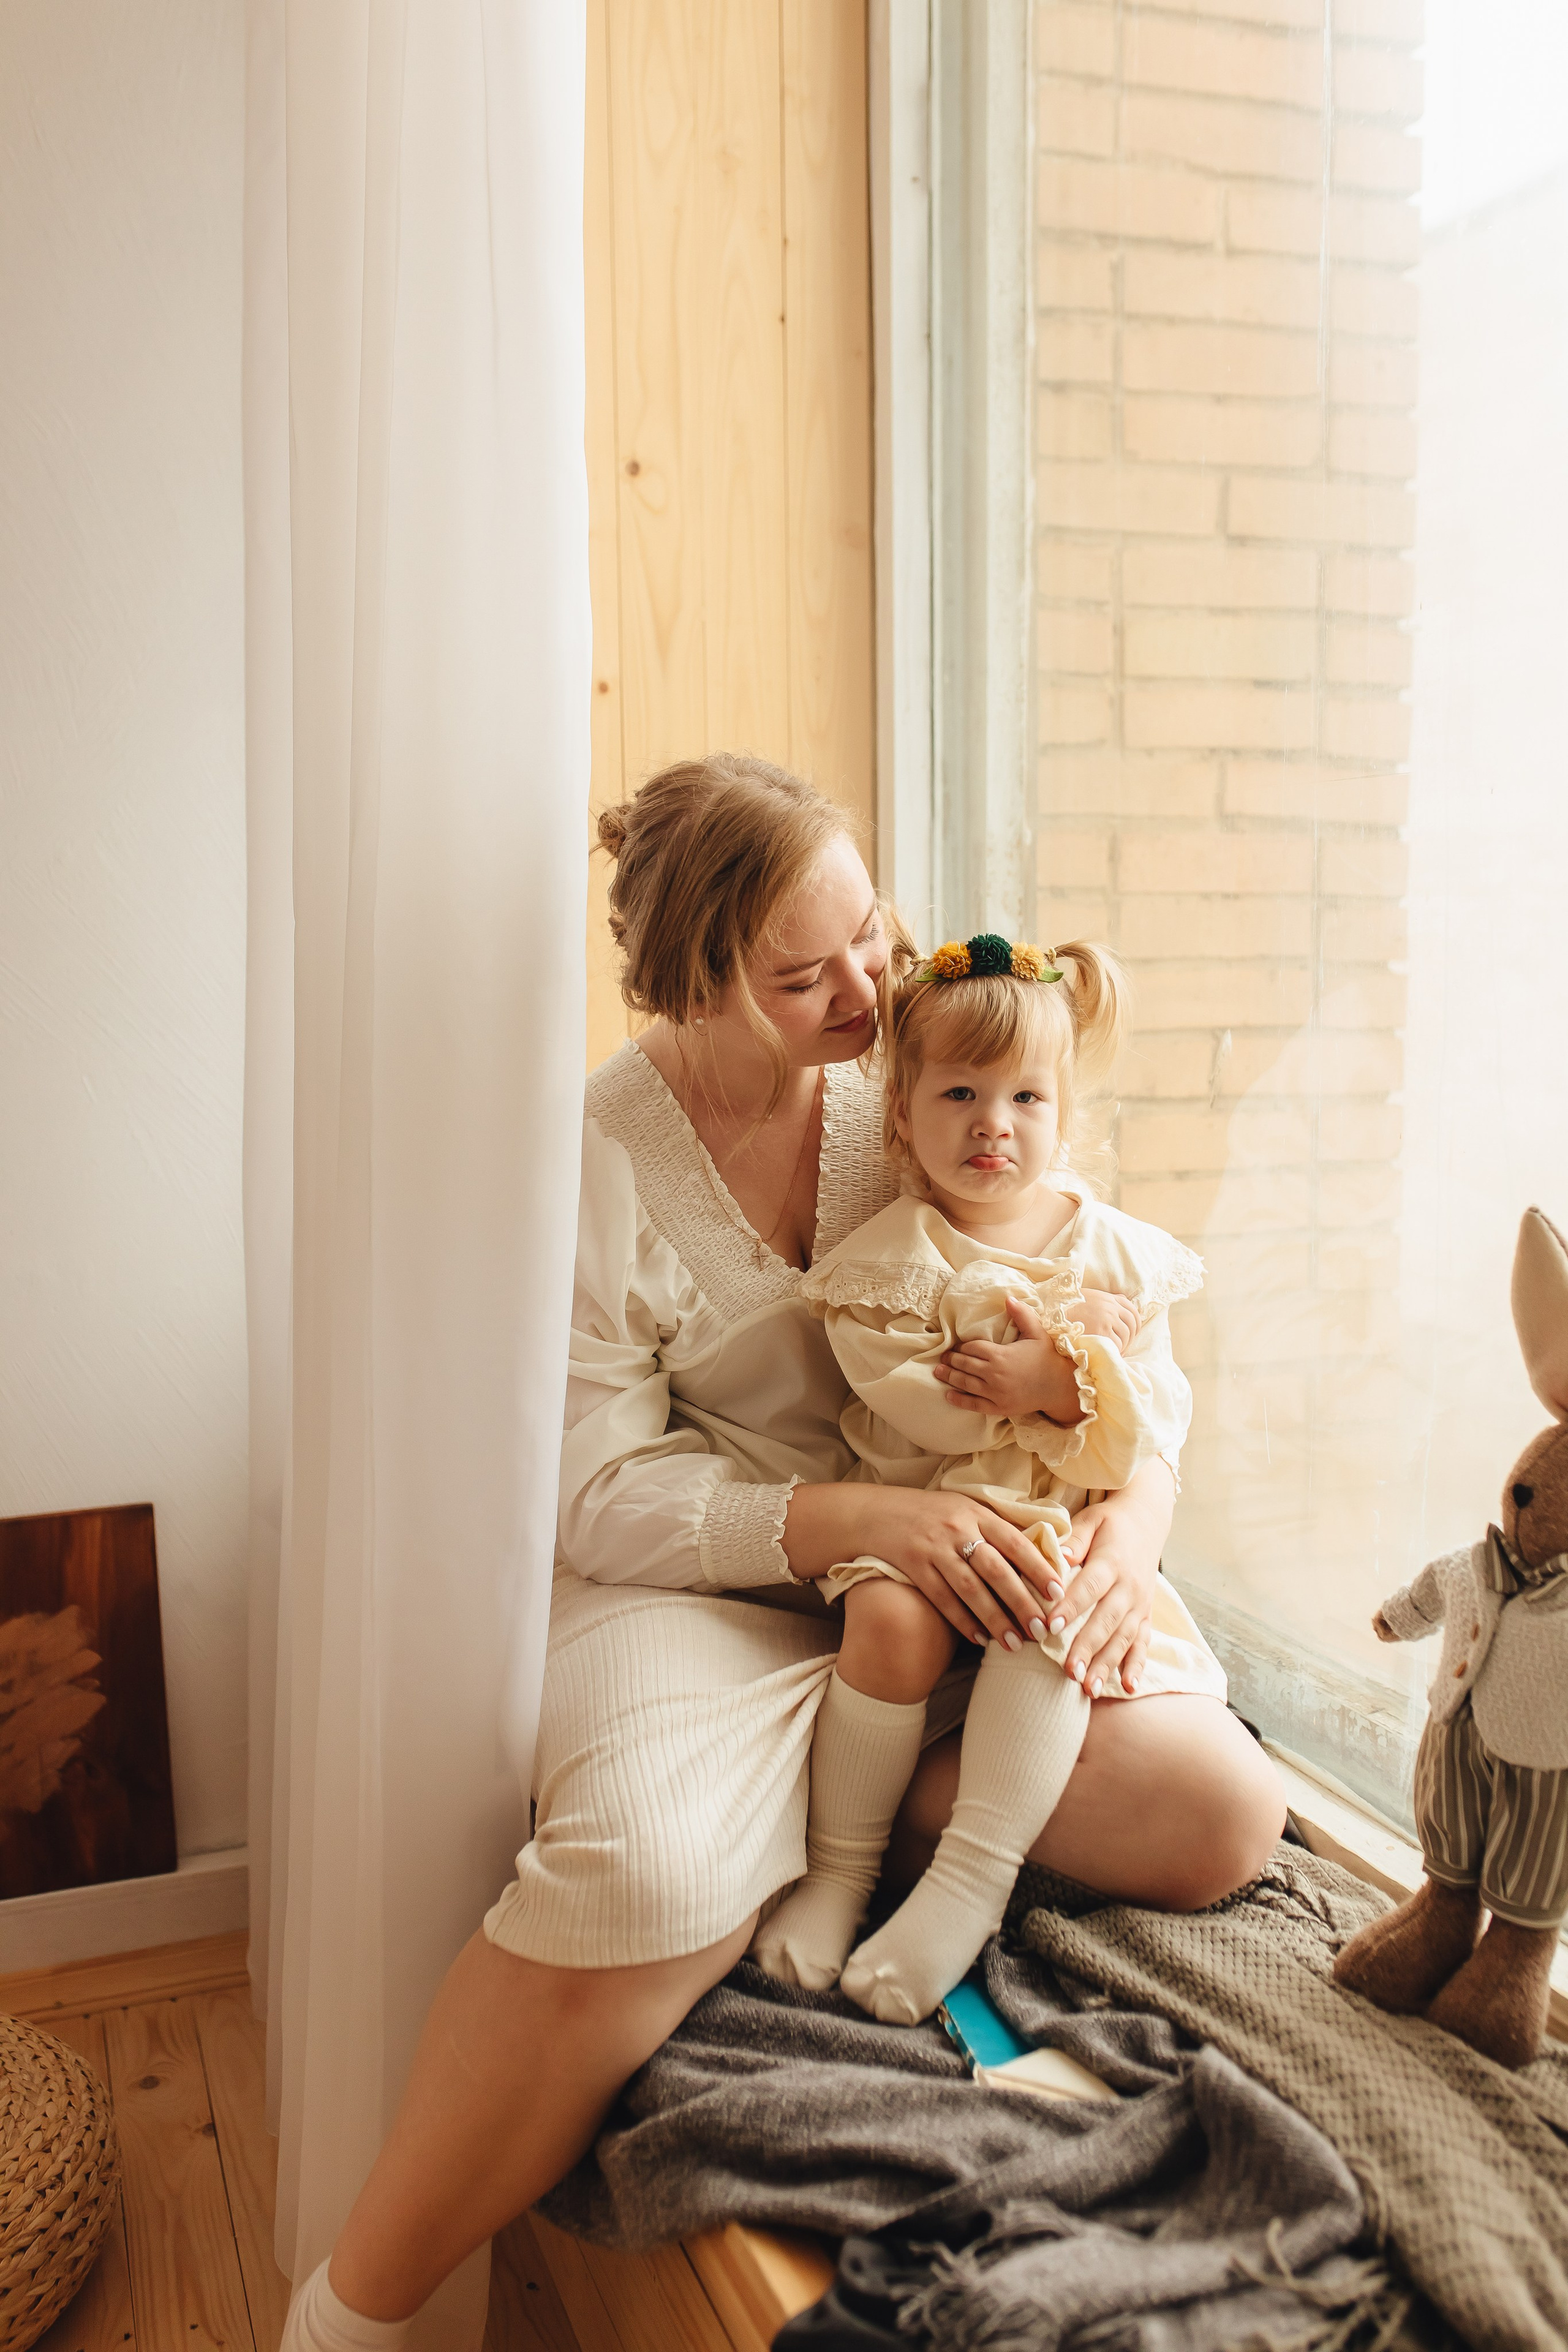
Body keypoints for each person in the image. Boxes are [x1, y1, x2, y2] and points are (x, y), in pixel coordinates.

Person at [282, 754, 1285, 2352]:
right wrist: (859, 1527)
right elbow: (596, 1493)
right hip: (714, 1586)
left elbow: (1112, 1338)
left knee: (1226, 1810)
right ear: (695, 987)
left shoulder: (928, 1071)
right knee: (648, 1881)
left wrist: (1120, 1535)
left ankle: (872, 1824)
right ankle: (356, 2310)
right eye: (803, 977)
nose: (865, 993)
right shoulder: (595, 1160)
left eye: (871, 938)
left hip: (969, 1557)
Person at [752, 932, 1226, 2023]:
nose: (992, 1125)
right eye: (960, 1092)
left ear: (1064, 1113)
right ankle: (840, 1873)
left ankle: (972, 1879)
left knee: (1051, 1610)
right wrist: (1038, 1369)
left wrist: (1067, 1380)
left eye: (1026, 1098)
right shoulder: (893, 1257)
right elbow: (920, 1399)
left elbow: (1152, 1419)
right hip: (926, 1526)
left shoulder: (1115, 1254)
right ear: (904, 1113)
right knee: (887, 1623)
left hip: (1053, 1537)